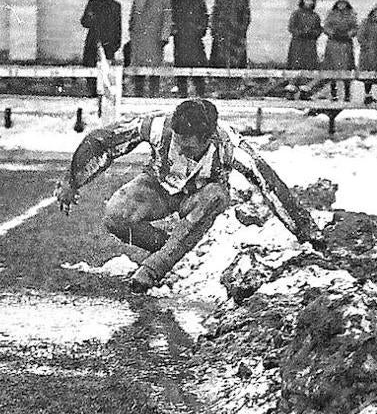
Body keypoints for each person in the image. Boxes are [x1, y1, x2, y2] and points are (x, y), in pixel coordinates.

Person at [53, 98, 318, 292]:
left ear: (207, 138)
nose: (180, 147)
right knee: (115, 215)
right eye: (177, 140)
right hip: (158, 187)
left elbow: (271, 186)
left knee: (216, 195)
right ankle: (176, 249)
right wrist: (72, 180)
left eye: (188, 144)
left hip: (200, 197)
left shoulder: (231, 147)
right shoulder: (157, 126)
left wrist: (306, 233)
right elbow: (103, 141)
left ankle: (156, 267)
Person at [127, 0, 171, 97]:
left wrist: (164, 37)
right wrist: (133, 35)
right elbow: (132, 20)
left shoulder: (163, 1)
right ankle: (138, 94)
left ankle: (153, 94)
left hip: (154, 40)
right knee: (138, 68)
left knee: (154, 69)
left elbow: (167, 20)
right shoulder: (138, 0)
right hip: (140, 41)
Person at [80, 0, 123, 96]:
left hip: (108, 42)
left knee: (106, 69)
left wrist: (116, 44)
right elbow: (84, 22)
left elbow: (118, 26)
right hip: (93, 41)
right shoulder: (92, 3)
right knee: (90, 66)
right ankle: (91, 92)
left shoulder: (115, 6)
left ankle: (106, 92)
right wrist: (91, 18)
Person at [170, 0, 208, 97]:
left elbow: (204, 17)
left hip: (194, 39)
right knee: (181, 66)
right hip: (180, 39)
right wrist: (174, 30)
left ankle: (200, 94)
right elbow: (170, 18)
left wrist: (200, 30)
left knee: (198, 65)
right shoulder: (174, 1)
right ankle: (182, 94)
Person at [210, 0, 251, 72]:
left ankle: (237, 83)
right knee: (220, 61)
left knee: (237, 62)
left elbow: (246, 18)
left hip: (237, 36)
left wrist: (241, 31)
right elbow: (214, 16)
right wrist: (215, 30)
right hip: (222, 36)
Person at [322, 0, 358, 100]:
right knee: (332, 68)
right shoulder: (331, 15)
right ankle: (334, 92)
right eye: (339, 4)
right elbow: (326, 27)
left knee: (346, 68)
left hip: (345, 45)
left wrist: (348, 34)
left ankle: (347, 92)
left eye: (344, 4)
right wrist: (332, 33)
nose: (341, 6)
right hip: (333, 45)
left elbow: (355, 28)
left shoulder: (351, 15)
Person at [356, 5, 377, 103]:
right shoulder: (366, 23)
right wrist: (367, 45)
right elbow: (360, 36)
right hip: (367, 53)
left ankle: (376, 96)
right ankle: (367, 95)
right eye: (376, 13)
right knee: (367, 75)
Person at [285, 0, 322, 72]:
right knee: (296, 64)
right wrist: (301, 32)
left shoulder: (315, 16)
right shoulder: (296, 14)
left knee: (309, 66)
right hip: (298, 43)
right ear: (303, 1)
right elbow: (291, 27)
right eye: (307, 0)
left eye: (311, 0)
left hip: (310, 43)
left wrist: (312, 33)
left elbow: (319, 29)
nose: (309, 2)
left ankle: (306, 83)